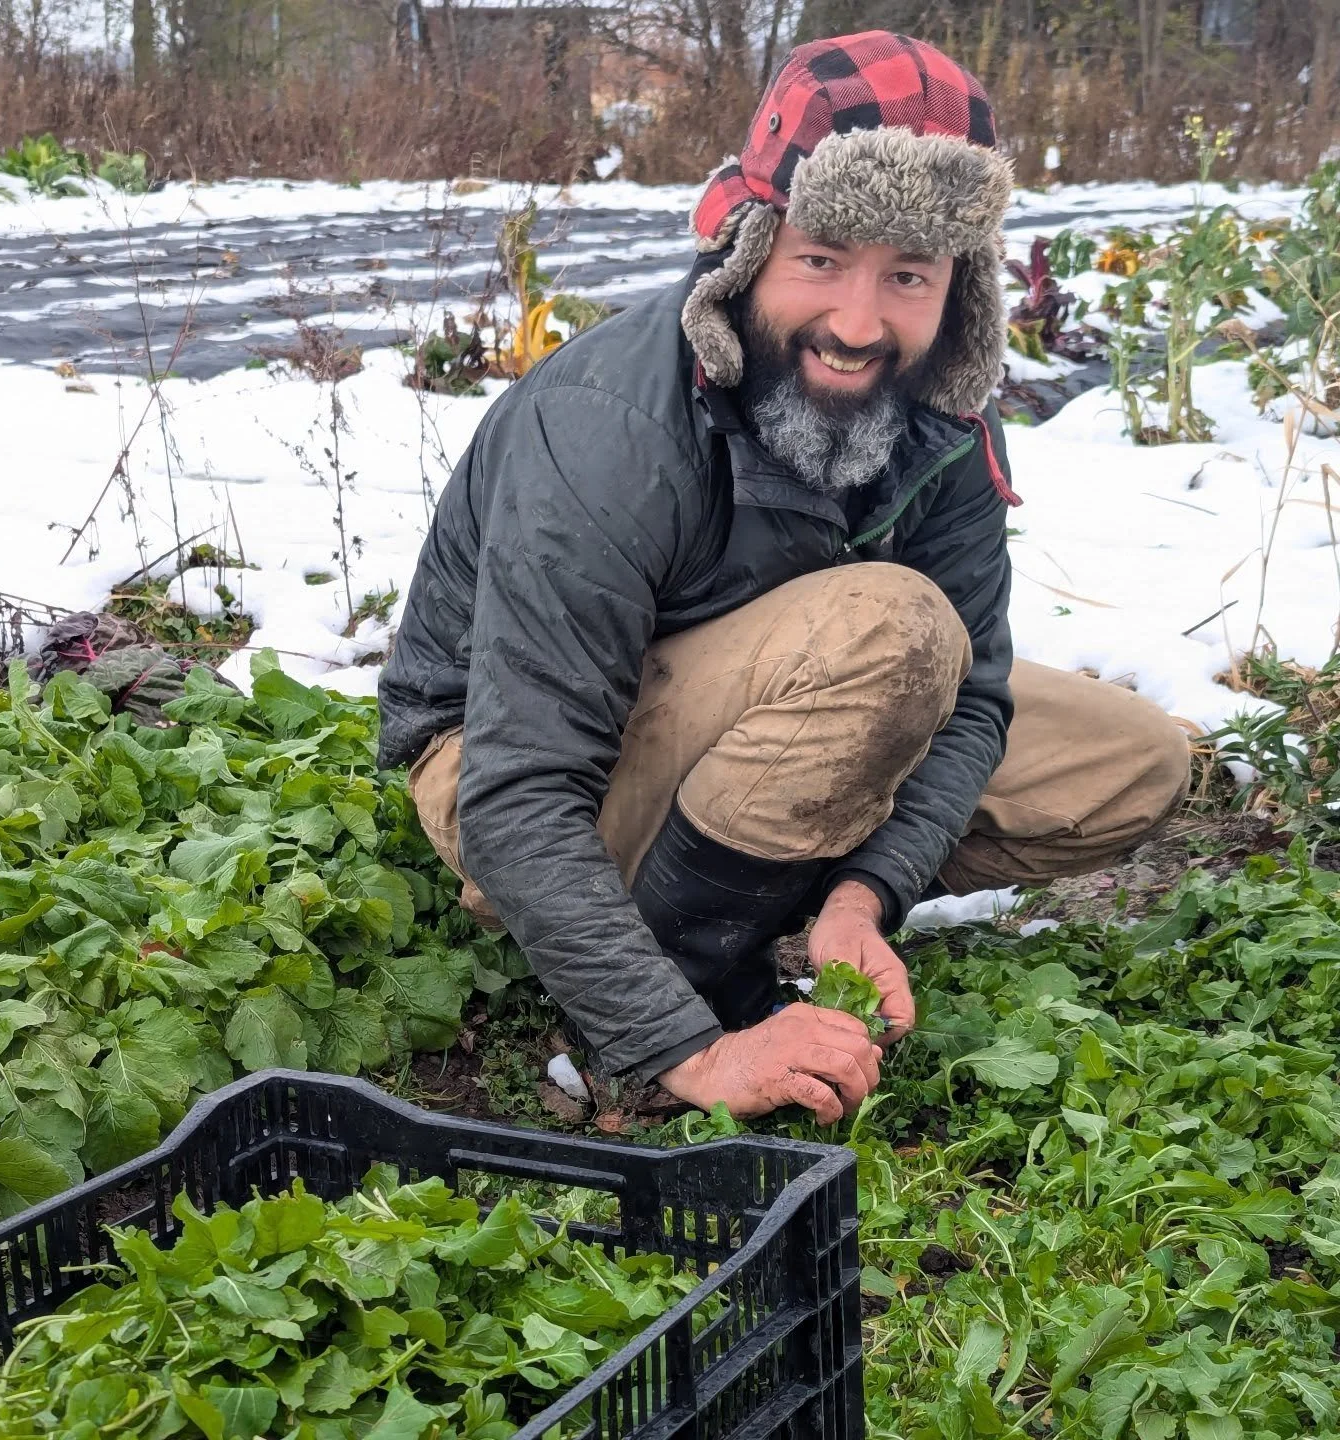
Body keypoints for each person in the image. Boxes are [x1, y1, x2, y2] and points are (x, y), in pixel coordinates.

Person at [377, 31, 1191, 1124]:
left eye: (908, 276)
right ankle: (670, 997)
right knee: (892, 631)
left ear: (960, 288)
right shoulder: (611, 421)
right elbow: (521, 789)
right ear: (753, 246)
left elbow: (977, 704)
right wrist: (692, 1054)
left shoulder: (939, 410)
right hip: (510, 769)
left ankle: (787, 891)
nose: (859, 326)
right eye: (822, 260)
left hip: (802, 707)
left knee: (1131, 758)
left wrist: (867, 897)